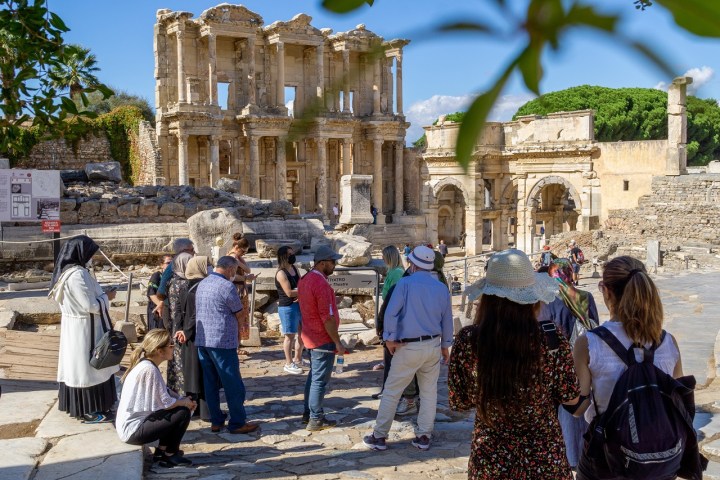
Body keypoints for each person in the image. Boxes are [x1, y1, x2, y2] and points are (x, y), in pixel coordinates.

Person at [447, 248, 582, 479]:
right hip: (544, 459)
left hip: (491, 460)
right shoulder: (551, 339)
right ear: (532, 298)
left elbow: (459, 402)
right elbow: (570, 396)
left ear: (488, 298)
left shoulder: (468, 341)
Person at [572, 256, 684, 480]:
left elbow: (579, 407)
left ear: (606, 292)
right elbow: (679, 399)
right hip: (660, 458)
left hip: (607, 458)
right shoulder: (668, 342)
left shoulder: (589, 343)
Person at [363, 245, 454, 452]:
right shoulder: (441, 288)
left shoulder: (405, 284)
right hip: (432, 345)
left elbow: (391, 314)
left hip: (408, 346)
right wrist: (446, 345)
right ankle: (423, 435)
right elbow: (447, 319)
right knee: (429, 392)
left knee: (392, 392)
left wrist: (389, 339)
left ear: (412, 264)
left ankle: (379, 436)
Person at [537, 258, 599, 470]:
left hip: (555, 363)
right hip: (583, 360)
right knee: (579, 408)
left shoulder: (547, 300)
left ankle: (561, 457)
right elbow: (595, 329)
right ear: (570, 274)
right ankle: (578, 456)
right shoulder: (586, 297)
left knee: (557, 411)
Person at [49, 235, 119, 423]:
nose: (92, 257)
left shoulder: (67, 273)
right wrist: (108, 297)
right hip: (85, 328)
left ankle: (84, 406)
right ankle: (90, 409)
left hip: (77, 326)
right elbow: (90, 305)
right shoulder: (77, 275)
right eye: (90, 253)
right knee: (87, 369)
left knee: (78, 367)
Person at [195, 256, 259, 435]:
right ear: (231, 269)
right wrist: (240, 335)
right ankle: (237, 422)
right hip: (223, 341)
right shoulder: (227, 286)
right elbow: (239, 313)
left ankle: (216, 420)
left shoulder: (203, 283)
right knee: (233, 383)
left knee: (210, 382)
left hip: (204, 340)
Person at [115, 329, 195, 467]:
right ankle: (170, 454)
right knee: (182, 412)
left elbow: (163, 393)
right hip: (133, 430)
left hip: (133, 426)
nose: (173, 347)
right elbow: (166, 403)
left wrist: (183, 399)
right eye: (170, 345)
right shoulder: (149, 369)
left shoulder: (147, 364)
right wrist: (185, 403)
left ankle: (161, 451)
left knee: (179, 408)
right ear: (160, 351)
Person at [298, 245, 346, 431]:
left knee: (313, 377)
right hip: (322, 338)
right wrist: (337, 342)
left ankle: (308, 413)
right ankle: (316, 419)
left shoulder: (305, 279)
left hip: (310, 336)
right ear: (323, 263)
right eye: (333, 262)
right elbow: (327, 317)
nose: (335, 265)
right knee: (320, 380)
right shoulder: (321, 284)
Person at [175, 256, 213, 421]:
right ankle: (206, 412)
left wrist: (179, 331)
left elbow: (178, 311)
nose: (210, 267)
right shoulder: (201, 287)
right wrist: (187, 331)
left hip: (185, 336)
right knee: (202, 374)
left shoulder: (185, 286)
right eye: (208, 265)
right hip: (197, 334)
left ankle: (193, 408)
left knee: (191, 373)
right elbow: (196, 313)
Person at [374, 246, 406, 373]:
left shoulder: (397, 273)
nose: (382, 258)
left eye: (383, 256)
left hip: (392, 313)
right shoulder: (392, 271)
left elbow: (395, 297)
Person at [167, 249, 193, 394]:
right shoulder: (182, 284)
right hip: (181, 328)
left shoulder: (174, 280)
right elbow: (177, 310)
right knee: (181, 361)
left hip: (176, 327)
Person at [275, 246, 304, 375]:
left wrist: (301, 293)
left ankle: (298, 359)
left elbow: (301, 284)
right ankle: (288, 363)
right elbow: (288, 292)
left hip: (299, 304)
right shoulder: (281, 273)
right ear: (283, 256)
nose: (293, 256)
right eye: (290, 254)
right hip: (287, 307)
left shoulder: (294, 268)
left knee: (303, 333)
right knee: (289, 336)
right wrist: (303, 292)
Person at [153, 238, 195, 318]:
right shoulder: (172, 266)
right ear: (183, 250)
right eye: (192, 249)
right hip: (175, 311)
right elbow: (161, 291)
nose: (194, 252)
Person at [228, 234, 256, 341]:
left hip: (241, 288)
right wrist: (245, 278)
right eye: (243, 251)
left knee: (242, 316)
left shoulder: (237, 257)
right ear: (236, 248)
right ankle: (236, 345)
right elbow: (232, 276)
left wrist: (239, 260)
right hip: (236, 289)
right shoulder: (232, 257)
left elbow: (247, 269)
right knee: (238, 317)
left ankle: (238, 343)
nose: (244, 254)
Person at [147, 255, 173, 330]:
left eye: (172, 263)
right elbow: (151, 293)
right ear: (162, 265)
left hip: (168, 307)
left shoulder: (173, 276)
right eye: (168, 263)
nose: (170, 265)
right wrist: (160, 305)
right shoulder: (156, 276)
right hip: (157, 307)